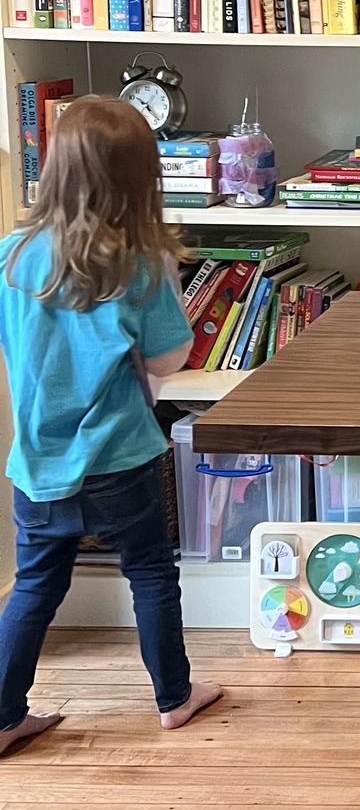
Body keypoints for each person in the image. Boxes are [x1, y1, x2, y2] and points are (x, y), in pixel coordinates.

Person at [0, 96, 222, 757]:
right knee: (151, 572)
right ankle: (174, 698)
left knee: (35, 584)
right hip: (120, 454)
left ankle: (5, 716)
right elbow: (167, 357)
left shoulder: (11, 256)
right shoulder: (143, 262)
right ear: (139, 180)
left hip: (39, 459)